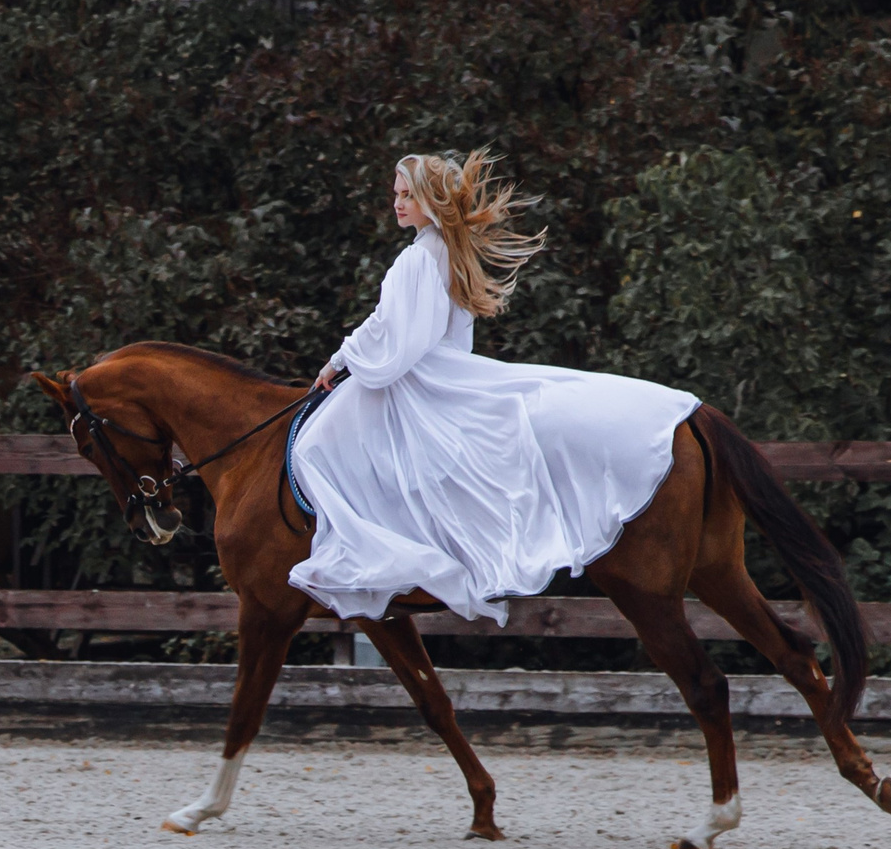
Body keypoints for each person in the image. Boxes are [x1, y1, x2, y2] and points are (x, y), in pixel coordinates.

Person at [289, 150, 701, 625]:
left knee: (314, 447)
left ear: (428, 200)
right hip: (436, 369)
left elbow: (394, 336)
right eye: (396, 195)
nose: (398, 203)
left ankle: (370, 559)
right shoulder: (445, 249)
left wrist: (342, 360)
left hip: (415, 378)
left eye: (408, 195)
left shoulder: (417, 258)